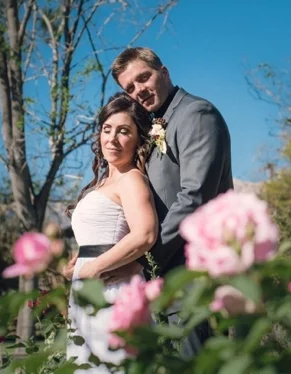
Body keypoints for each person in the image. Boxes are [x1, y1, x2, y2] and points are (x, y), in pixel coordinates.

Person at [103, 46, 233, 357]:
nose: (139, 91)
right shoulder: (153, 126)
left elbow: (194, 197)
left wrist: (143, 260)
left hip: (194, 276)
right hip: (166, 281)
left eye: (143, 78)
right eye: (130, 88)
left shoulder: (196, 114)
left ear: (164, 72)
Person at [62, 93, 158, 372]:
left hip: (113, 291)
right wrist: (78, 263)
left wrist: (93, 268)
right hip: (88, 288)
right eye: (107, 129)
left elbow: (145, 235)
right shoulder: (103, 182)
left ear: (139, 139)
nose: (112, 139)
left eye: (124, 131)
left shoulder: (132, 179)